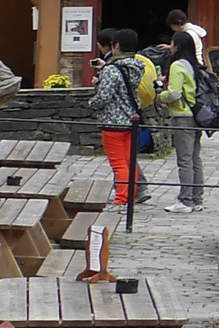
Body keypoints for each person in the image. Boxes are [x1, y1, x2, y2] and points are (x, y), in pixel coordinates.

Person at [89, 29, 151, 207]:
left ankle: (122, 198)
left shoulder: (112, 69)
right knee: (129, 162)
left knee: (118, 164)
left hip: (113, 122)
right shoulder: (136, 66)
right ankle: (132, 193)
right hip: (131, 120)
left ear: (116, 46)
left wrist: (92, 102)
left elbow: (104, 97)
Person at [160, 12, 210, 212]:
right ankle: (197, 198)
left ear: (178, 46)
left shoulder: (178, 66)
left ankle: (185, 200)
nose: (170, 47)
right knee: (195, 158)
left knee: (184, 159)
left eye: (172, 44)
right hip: (197, 115)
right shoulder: (195, 65)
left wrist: (159, 96)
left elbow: (173, 94)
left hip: (183, 115)